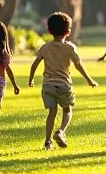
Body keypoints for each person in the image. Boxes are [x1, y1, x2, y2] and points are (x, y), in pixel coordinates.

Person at [29, 12, 97, 150]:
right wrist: (89, 80)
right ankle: (61, 132)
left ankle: (48, 142)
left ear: (49, 31)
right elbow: (78, 65)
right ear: (68, 31)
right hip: (64, 85)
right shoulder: (70, 47)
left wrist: (31, 79)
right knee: (67, 110)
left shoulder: (45, 47)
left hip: (48, 86)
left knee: (52, 113)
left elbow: (35, 64)